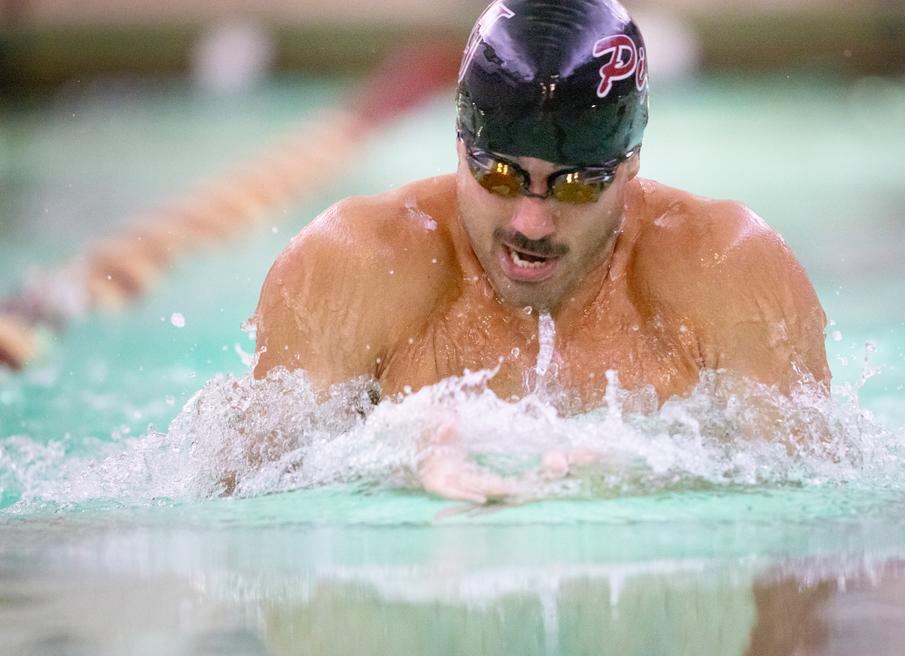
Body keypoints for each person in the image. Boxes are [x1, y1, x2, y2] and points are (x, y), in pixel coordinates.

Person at [250, 0, 829, 502]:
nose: (531, 221)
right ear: (460, 147)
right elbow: (246, 500)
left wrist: (655, 483)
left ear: (629, 166)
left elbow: (816, 509)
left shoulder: (725, 268)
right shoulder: (355, 264)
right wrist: (387, 476)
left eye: (575, 185)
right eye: (499, 175)